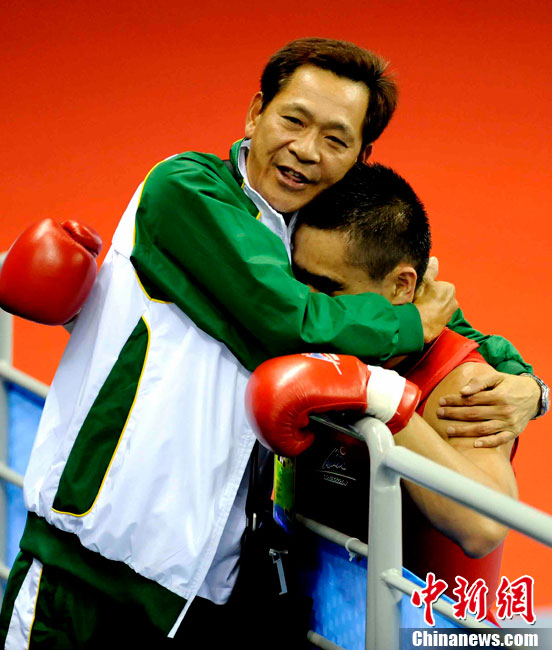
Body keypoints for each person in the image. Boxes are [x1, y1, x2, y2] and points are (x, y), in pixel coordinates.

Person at [0, 37, 544, 648]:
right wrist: (408, 334)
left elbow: (439, 316)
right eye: (293, 120)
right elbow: (289, 319)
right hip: (91, 568)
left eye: (336, 139)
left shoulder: (312, 233)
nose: (306, 149)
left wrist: (529, 386)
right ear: (256, 112)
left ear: (360, 157)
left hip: (208, 589)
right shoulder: (188, 190)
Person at [286, 161, 522, 614]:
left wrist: (382, 398)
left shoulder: (460, 381)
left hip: (419, 631)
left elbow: (485, 526)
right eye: (299, 283)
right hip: (317, 613)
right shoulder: (305, 338)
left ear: (401, 286)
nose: (310, 310)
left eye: (328, 290)